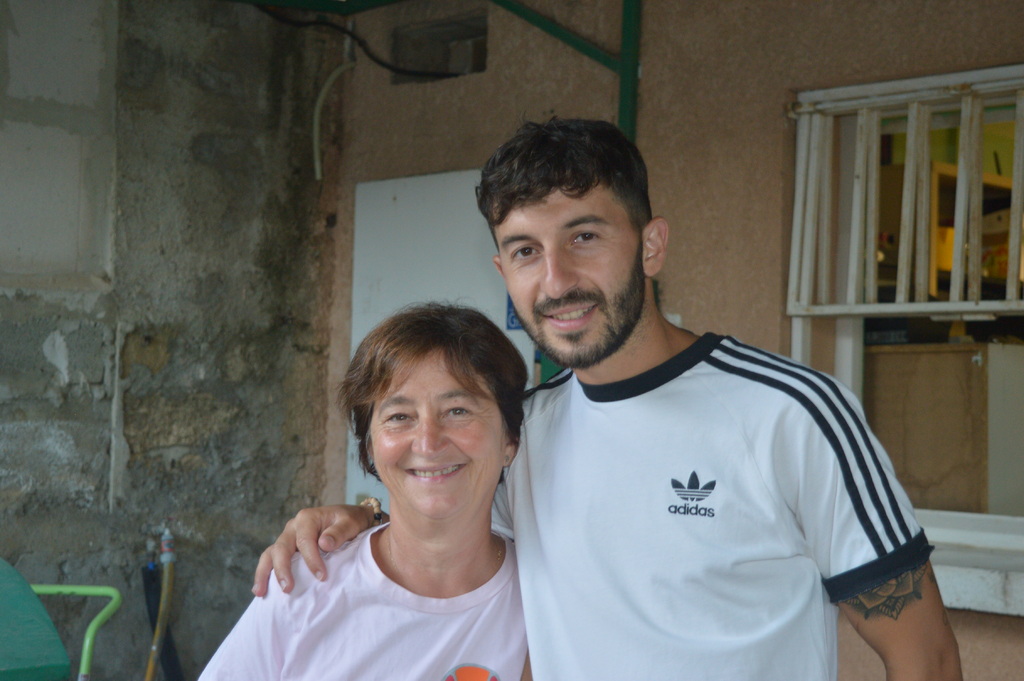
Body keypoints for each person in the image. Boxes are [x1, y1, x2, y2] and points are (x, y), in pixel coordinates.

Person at [253, 119, 962, 680]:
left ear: (651, 246)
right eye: (525, 251)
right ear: (502, 271)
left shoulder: (791, 413)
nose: (556, 279)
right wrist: (358, 515)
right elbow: (438, 512)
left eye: (584, 237)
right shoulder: (524, 432)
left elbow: (924, 656)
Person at [203, 303, 530, 680]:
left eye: (458, 410)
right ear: (371, 448)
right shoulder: (304, 588)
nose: (428, 442)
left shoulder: (543, 598)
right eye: (399, 417)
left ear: (510, 439)